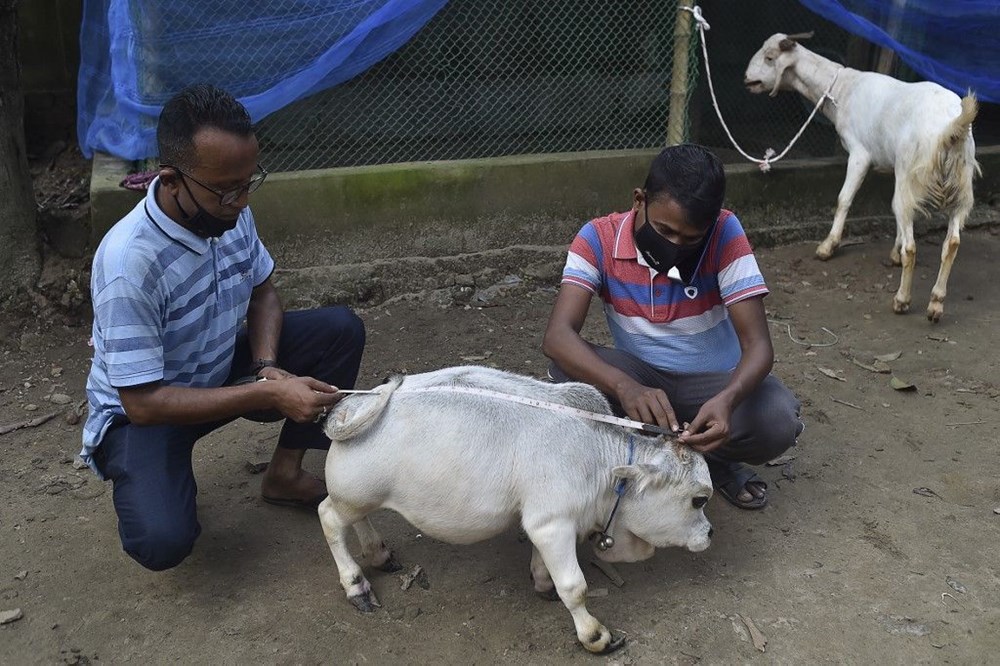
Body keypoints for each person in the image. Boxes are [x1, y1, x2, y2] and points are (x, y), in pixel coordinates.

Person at [80, 84, 366, 571]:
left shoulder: (227, 209)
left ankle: (284, 476)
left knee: (340, 329)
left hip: (215, 370)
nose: (241, 200)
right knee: (162, 540)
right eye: (227, 189)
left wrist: (267, 366)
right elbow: (143, 401)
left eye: (249, 181)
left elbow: (264, 292)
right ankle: (151, 476)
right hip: (145, 414)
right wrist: (265, 394)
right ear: (171, 180)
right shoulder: (131, 262)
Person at [542, 143, 802, 510]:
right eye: (664, 230)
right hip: (641, 378)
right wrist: (625, 386)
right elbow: (557, 336)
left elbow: (759, 346)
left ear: (711, 223)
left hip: (713, 383)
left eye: (691, 238)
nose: (675, 245)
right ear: (639, 200)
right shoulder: (597, 238)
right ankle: (641, 455)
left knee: (776, 419)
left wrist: (726, 400)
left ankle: (714, 460)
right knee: (564, 374)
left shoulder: (726, 232)